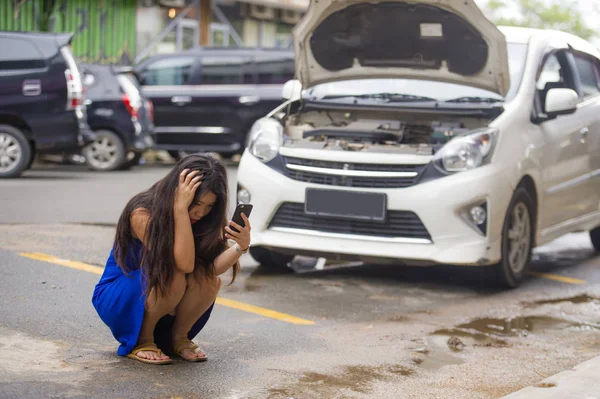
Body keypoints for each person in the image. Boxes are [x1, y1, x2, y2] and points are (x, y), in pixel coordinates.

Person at [91, 154, 251, 365]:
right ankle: (142, 340)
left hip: (162, 297)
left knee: (208, 279)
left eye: (209, 206)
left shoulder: (203, 219)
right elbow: (182, 265)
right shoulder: (141, 213)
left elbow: (210, 270)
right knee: (174, 274)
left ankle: (179, 338)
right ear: (178, 190)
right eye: (197, 202)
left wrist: (241, 246)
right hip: (122, 296)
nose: (201, 212)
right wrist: (180, 210)